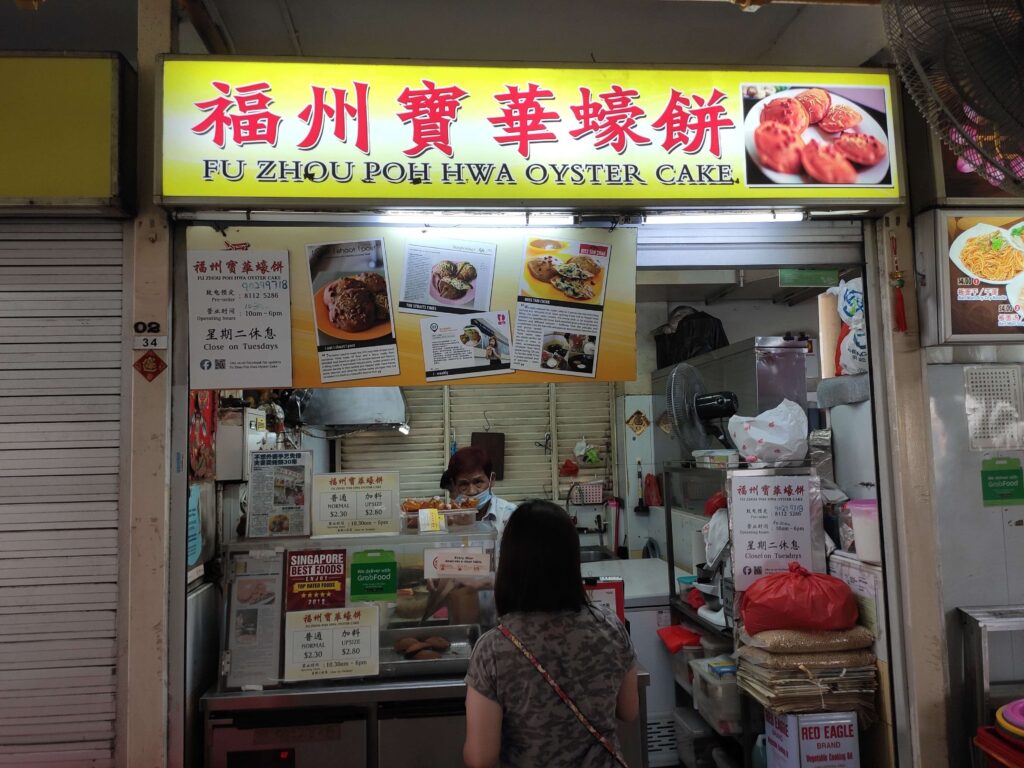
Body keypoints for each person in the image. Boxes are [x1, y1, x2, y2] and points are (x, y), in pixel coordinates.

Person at [463, 501, 639, 768]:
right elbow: (629, 709)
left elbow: (480, 757)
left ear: (510, 563)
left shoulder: (494, 648)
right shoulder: (609, 625)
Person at [441, 447, 516, 539]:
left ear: (492, 479)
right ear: (454, 484)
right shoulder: (447, 518)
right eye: (464, 484)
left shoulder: (511, 515)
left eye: (478, 482)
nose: (472, 491)